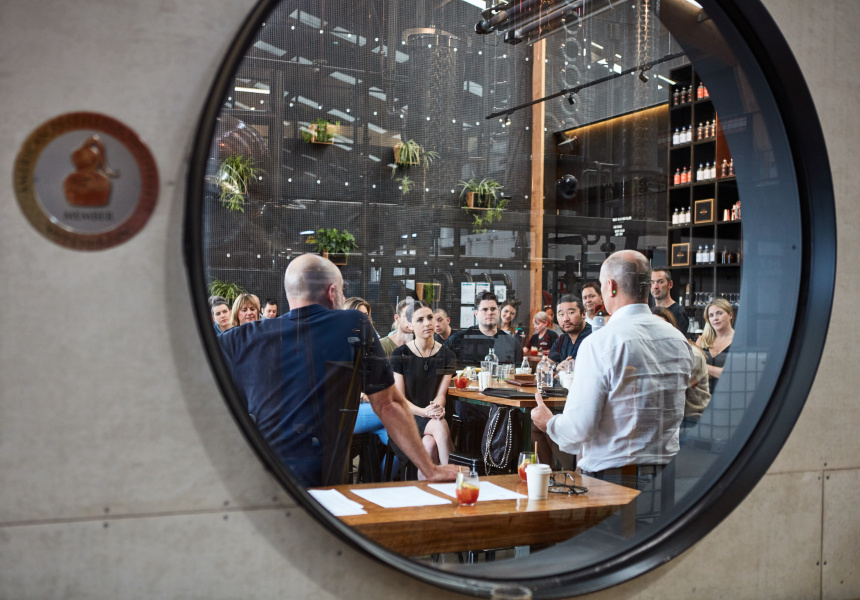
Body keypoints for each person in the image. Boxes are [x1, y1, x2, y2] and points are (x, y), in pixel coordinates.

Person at [217, 254, 458, 487]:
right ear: (332, 292)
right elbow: (388, 404)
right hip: (318, 483)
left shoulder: (238, 339)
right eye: (342, 291)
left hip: (251, 477)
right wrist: (431, 470)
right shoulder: (352, 324)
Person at [531, 250, 693, 487]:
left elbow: (579, 430)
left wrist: (549, 422)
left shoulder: (600, 343)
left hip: (613, 477)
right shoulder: (678, 339)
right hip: (668, 475)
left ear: (611, 287)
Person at [390, 301, 455, 475]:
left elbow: (441, 394)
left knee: (429, 443)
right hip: (405, 419)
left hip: (433, 415)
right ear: (410, 325)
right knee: (440, 425)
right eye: (420, 320)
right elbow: (400, 400)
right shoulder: (399, 355)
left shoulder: (448, 355)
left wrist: (437, 407)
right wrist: (425, 412)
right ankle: (452, 479)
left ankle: (430, 489)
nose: (427, 323)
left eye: (430, 317)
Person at [652, 306, 710, 428]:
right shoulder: (657, 352)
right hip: (671, 420)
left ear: (673, 328)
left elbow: (670, 390)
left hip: (692, 421)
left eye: (662, 327)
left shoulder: (691, 354)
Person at [444, 291, 523, 365]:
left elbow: (519, 372)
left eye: (493, 309)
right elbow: (441, 362)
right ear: (476, 314)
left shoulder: (512, 343)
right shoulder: (458, 339)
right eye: (485, 309)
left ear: (499, 311)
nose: (490, 313)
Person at [696, 297, 735, 394]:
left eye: (719, 313)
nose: (715, 318)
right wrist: (719, 372)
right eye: (711, 315)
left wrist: (703, 368)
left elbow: (732, 374)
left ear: (730, 315)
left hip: (729, 394)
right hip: (702, 396)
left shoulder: (739, 341)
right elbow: (694, 373)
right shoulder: (701, 341)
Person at [548, 295, 592, 369]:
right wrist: (555, 367)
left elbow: (572, 366)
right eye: (561, 314)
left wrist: (556, 368)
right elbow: (543, 364)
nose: (565, 319)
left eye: (571, 313)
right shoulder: (562, 339)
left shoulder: (591, 336)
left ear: (583, 314)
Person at [650, 268, 689, 336]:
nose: (655, 286)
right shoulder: (649, 311)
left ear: (670, 284)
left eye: (660, 282)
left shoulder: (678, 313)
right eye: (652, 282)